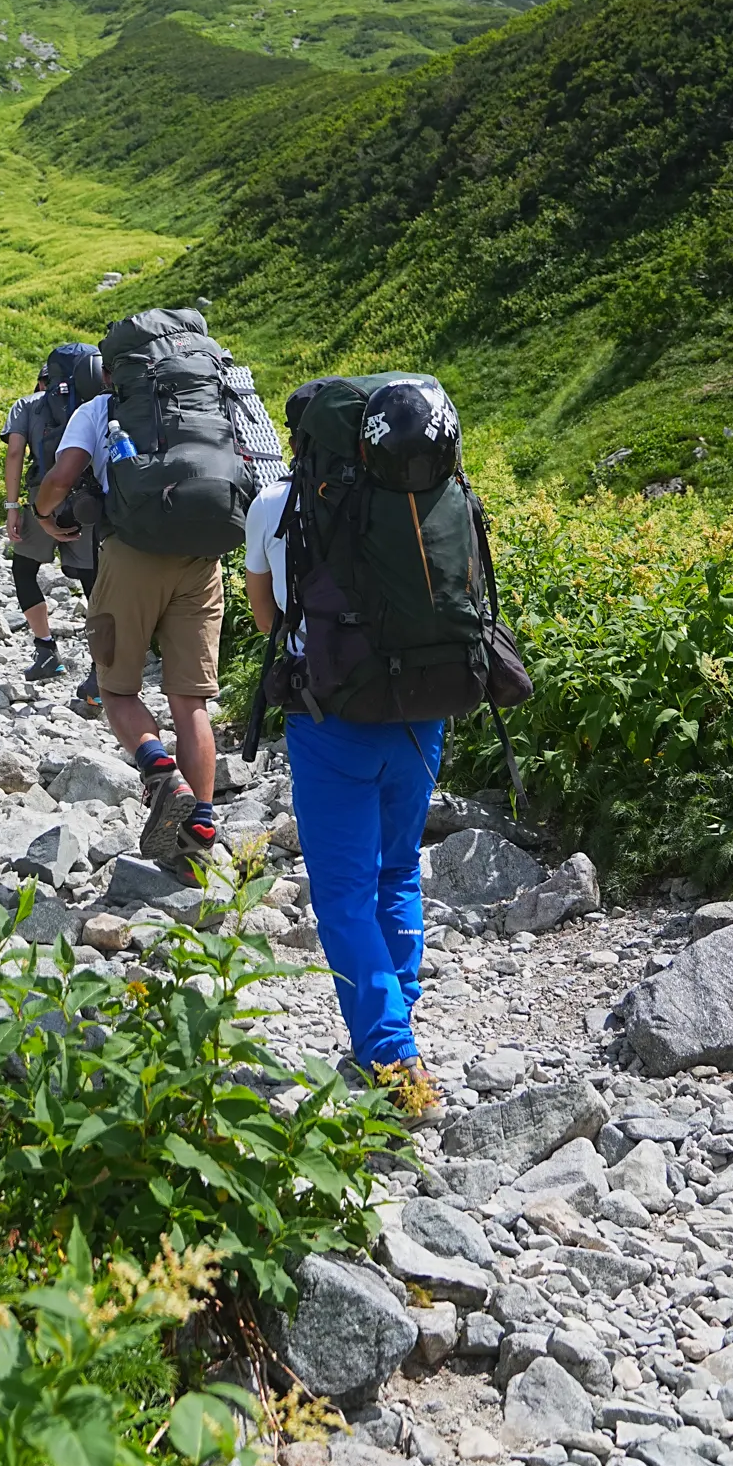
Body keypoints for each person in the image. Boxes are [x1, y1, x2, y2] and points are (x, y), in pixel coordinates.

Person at [240, 372, 521, 1126]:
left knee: (341, 894)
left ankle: (393, 1057)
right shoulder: (433, 499)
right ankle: (393, 1026)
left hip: (331, 717)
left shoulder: (278, 506)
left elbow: (268, 616)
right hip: (424, 709)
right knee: (398, 870)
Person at [35, 311, 235, 878]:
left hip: (130, 556)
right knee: (190, 701)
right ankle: (199, 825)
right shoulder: (212, 397)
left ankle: (159, 773)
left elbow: (60, 476)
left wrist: (45, 516)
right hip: (203, 558)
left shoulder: (101, 408)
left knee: (115, 687)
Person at [1, 343, 102, 687]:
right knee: (94, 585)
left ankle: (46, 651)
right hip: (86, 503)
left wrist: (13, 507)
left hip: (40, 498)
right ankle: (99, 671)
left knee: (24, 570)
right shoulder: (97, 406)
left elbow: (15, 453)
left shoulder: (26, 406)